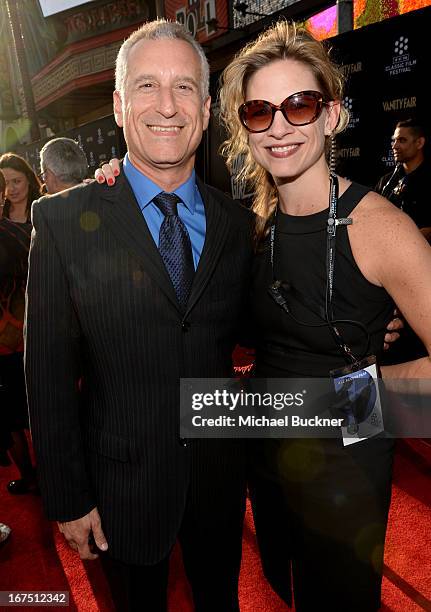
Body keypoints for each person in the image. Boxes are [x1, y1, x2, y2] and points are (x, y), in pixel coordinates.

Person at [25, 19, 252, 612]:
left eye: (183, 88)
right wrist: (67, 498)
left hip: (217, 481)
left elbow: (259, 336)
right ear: (121, 107)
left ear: (206, 110)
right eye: (147, 87)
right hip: (119, 486)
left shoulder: (236, 224)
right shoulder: (62, 222)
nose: (167, 106)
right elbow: (47, 374)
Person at [217, 21, 431, 612]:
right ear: (244, 126)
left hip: (345, 456)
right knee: (290, 589)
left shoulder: (380, 227)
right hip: (268, 438)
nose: (280, 126)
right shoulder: (254, 224)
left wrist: (356, 394)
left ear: (332, 115)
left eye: (299, 105)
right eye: (260, 111)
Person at [0, 157, 40, 495]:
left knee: (43, 404)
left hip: (43, 321)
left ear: (29, 179)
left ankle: (55, 472)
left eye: (16, 181)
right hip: (5, 331)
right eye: (5, 184)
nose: (10, 190)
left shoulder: (46, 211)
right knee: (9, 411)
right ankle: (28, 476)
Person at [375, 119, 429, 233]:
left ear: (419, 143)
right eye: (394, 140)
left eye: (402, 140)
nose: (395, 146)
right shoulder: (386, 181)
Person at [0, 153, 41, 223]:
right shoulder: (1, 211)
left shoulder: (45, 207)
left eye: (16, 181)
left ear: (29, 179)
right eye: (6, 183)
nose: (11, 188)